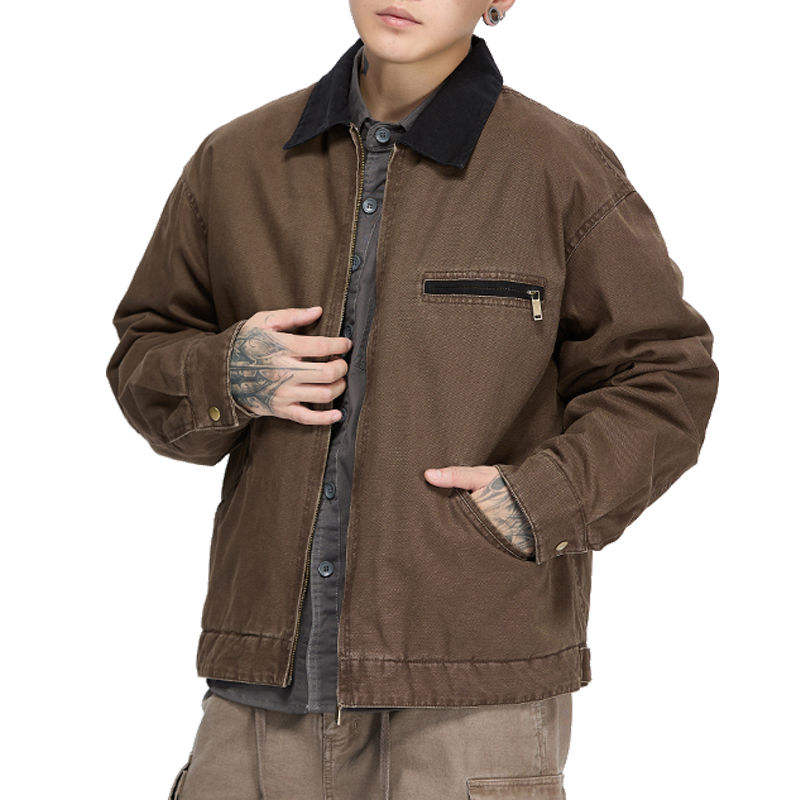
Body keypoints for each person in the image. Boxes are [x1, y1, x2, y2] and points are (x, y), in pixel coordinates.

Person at [107, 1, 719, 797]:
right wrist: (227, 374)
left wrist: (539, 502)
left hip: (472, 689)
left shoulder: (559, 167)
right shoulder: (236, 160)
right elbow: (145, 350)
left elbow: (665, 373)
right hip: (262, 685)